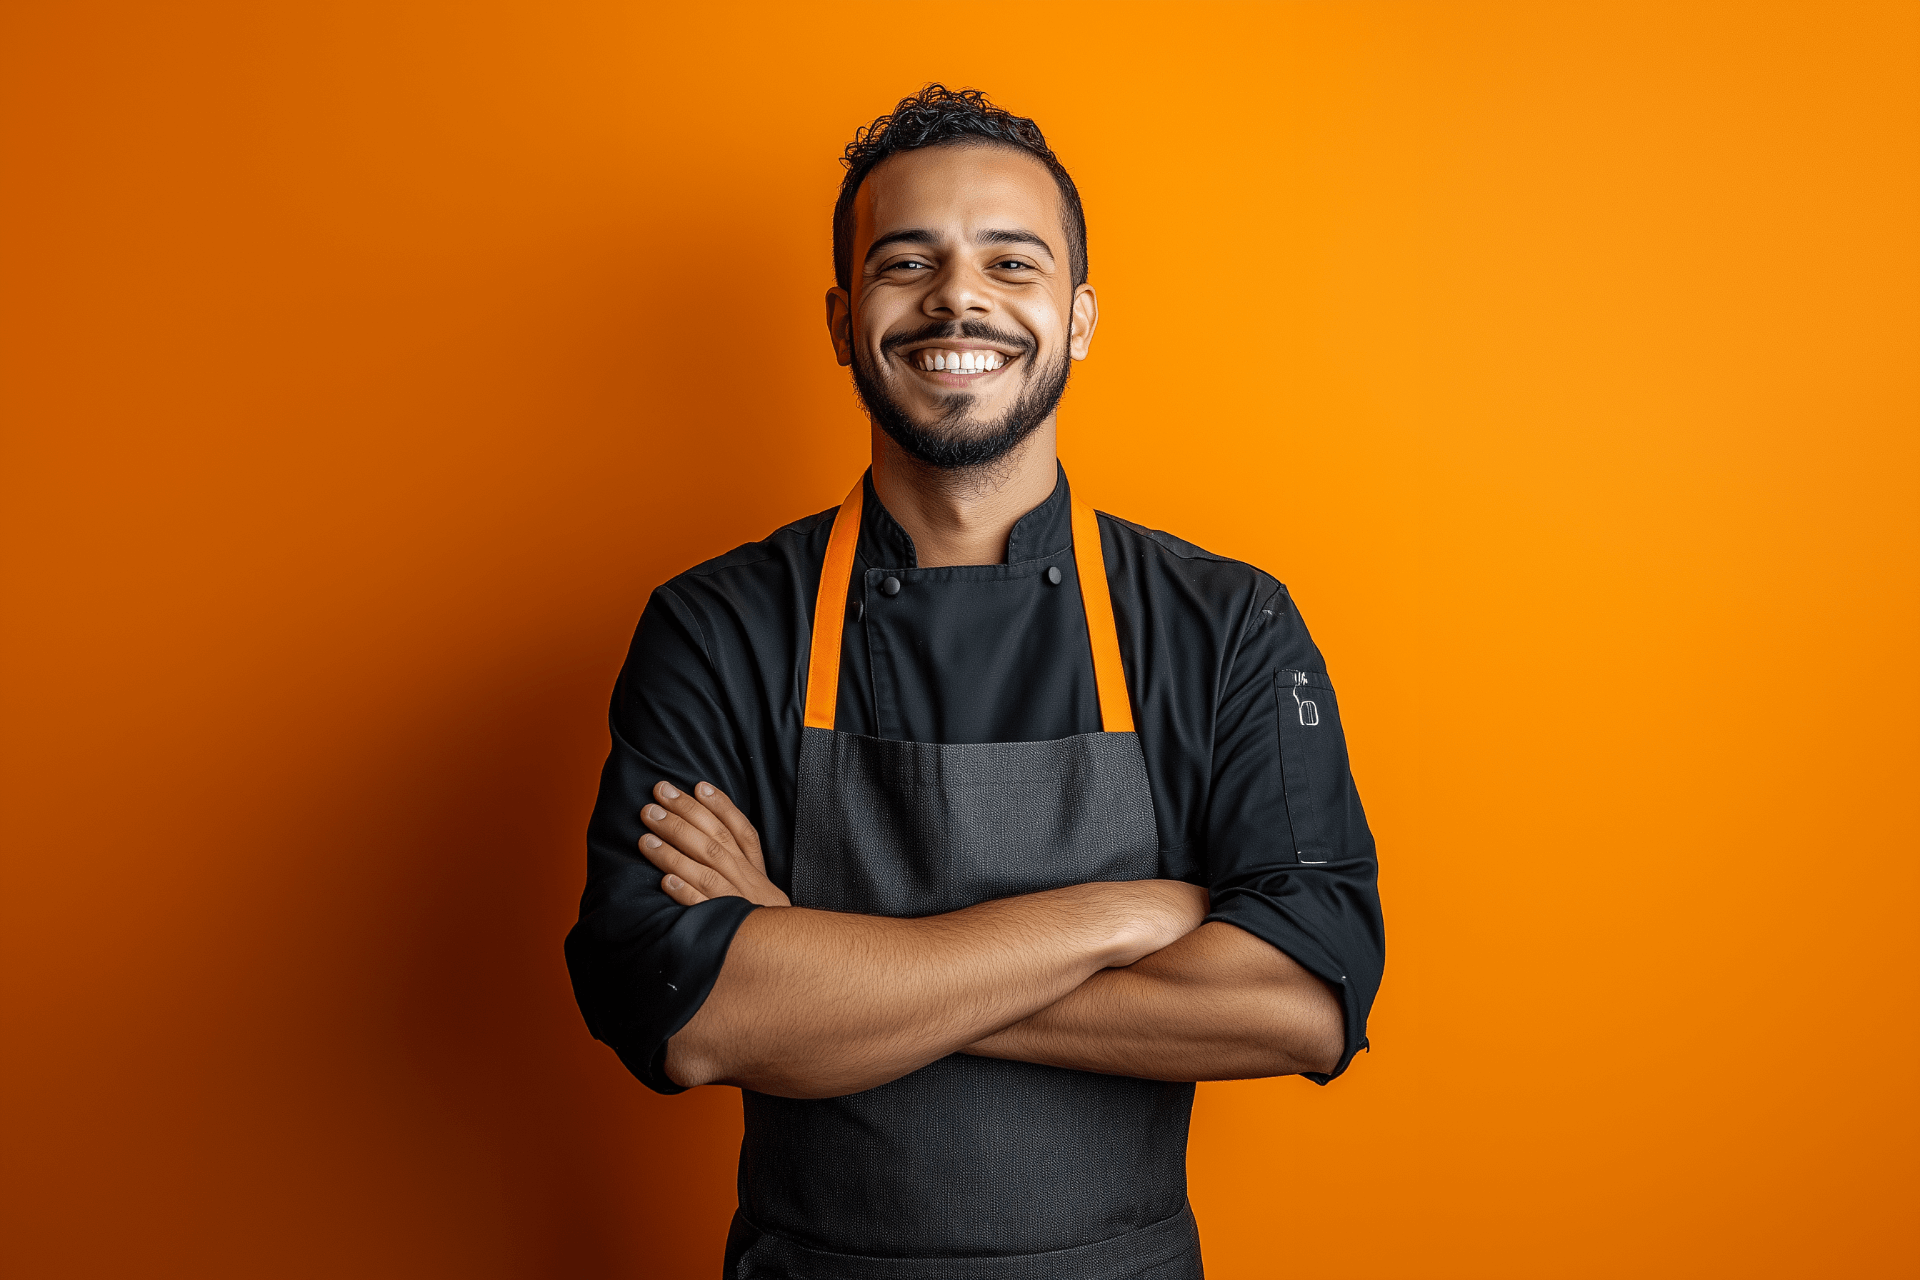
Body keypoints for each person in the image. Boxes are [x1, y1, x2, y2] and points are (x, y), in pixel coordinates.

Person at [565, 84, 1385, 1280]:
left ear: (1081, 316)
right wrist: (1118, 915)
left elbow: (1302, 1001)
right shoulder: (719, 625)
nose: (961, 296)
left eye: (1012, 259)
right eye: (909, 262)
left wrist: (821, 957)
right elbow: (688, 1016)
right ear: (844, 319)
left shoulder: (1225, 624)